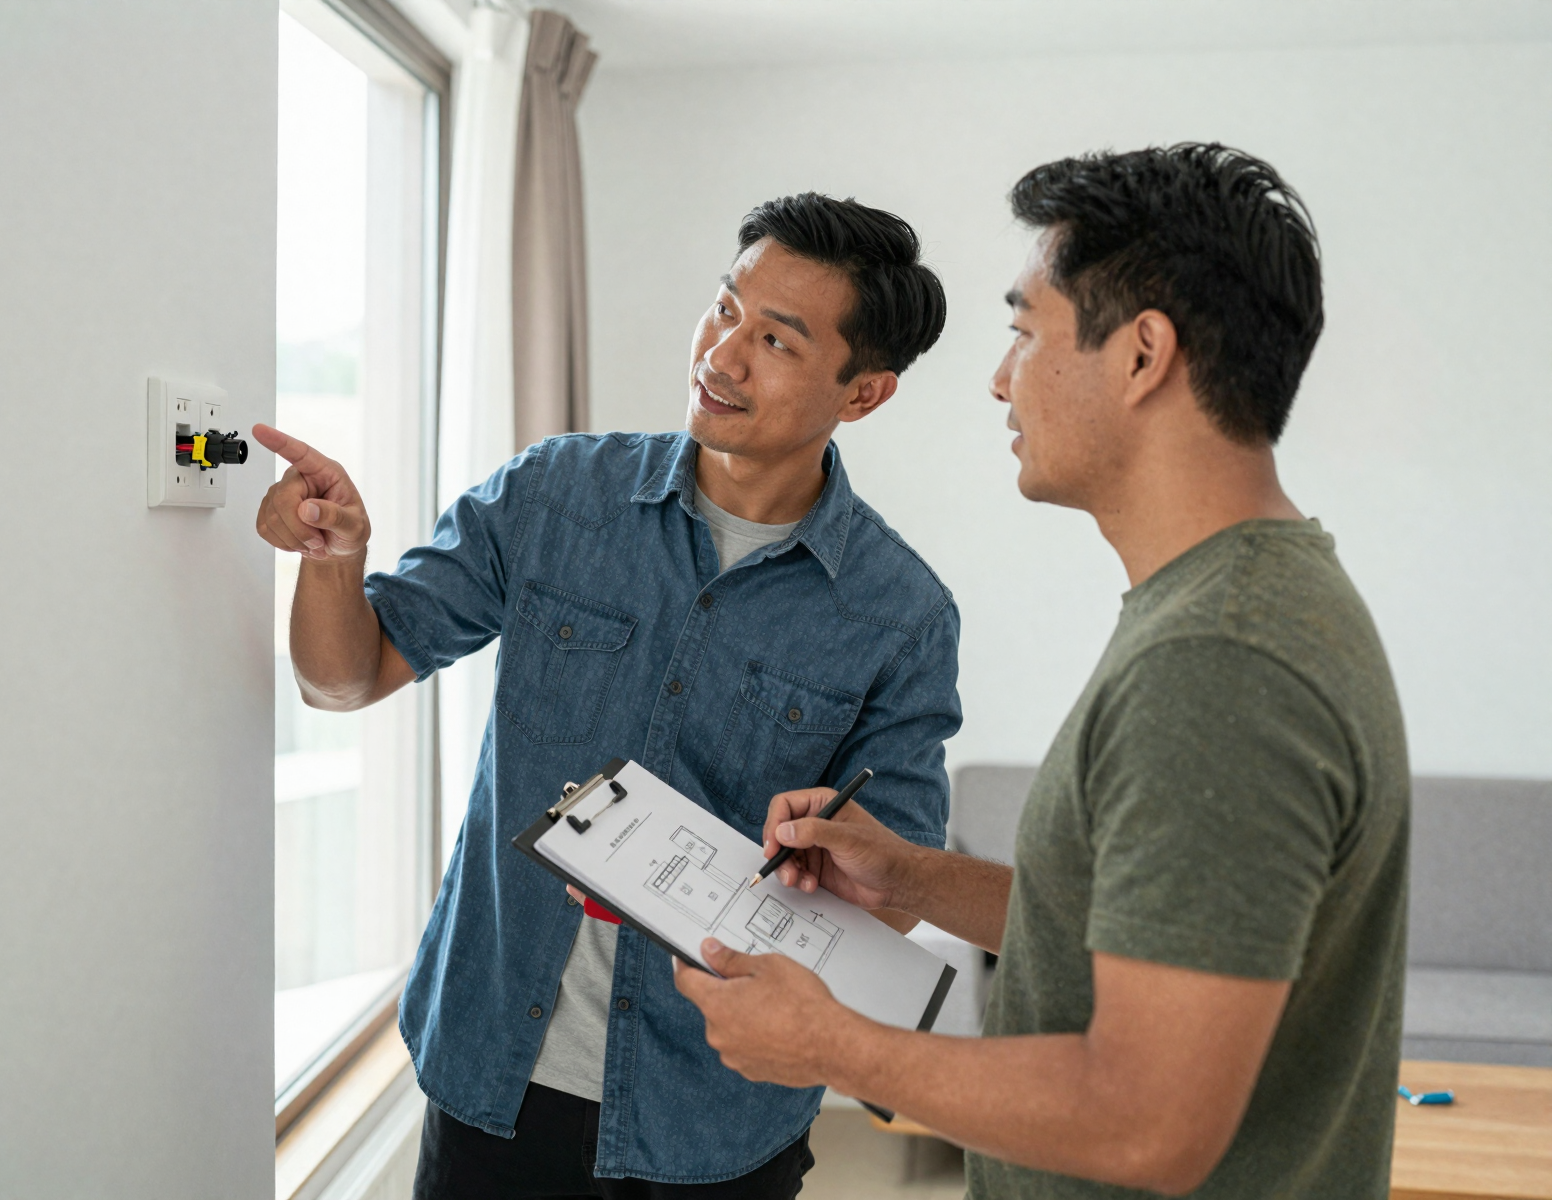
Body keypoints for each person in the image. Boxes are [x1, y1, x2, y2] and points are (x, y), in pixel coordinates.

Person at [676, 145, 1411, 1200]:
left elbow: (1146, 1124)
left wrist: (831, 1045)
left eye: (1024, 331)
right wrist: (916, 878)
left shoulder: (1218, 664)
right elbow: (1160, 928)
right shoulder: (1245, 600)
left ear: (1141, 355)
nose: (996, 377)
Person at [252, 193, 961, 1199]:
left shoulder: (902, 616)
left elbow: (891, 891)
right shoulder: (556, 494)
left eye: (775, 339)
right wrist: (336, 558)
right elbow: (345, 677)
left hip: (715, 1111)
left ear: (864, 394)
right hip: (492, 1073)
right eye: (724, 309)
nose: (722, 354)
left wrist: (821, 874)